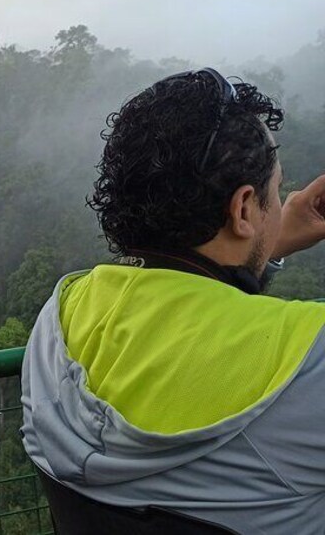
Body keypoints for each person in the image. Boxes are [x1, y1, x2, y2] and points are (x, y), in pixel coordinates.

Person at [21, 68, 325, 533]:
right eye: (276, 191)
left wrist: (271, 242)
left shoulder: (57, 321)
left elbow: (190, 300)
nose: (279, 203)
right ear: (244, 208)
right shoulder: (310, 360)